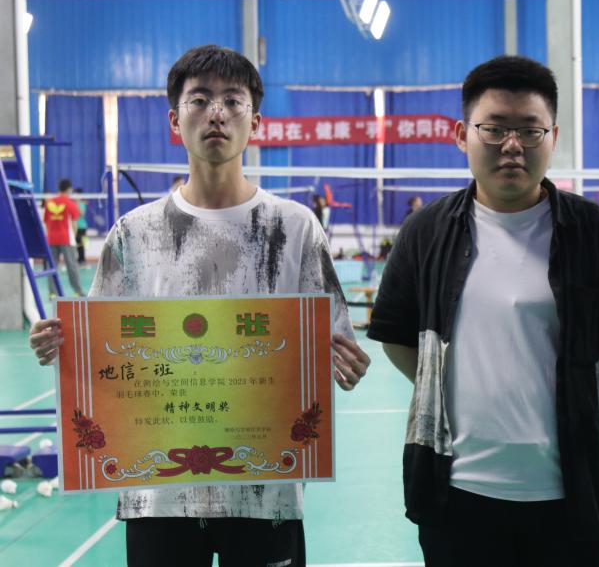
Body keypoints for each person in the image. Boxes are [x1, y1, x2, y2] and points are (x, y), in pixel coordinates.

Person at [28, 45, 370, 567]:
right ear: (175, 119)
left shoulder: (297, 228)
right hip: (157, 492)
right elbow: (102, 351)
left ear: (255, 122)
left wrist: (345, 364)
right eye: (200, 99)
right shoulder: (132, 234)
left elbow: (335, 349)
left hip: (265, 492)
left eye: (232, 100)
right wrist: (61, 346)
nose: (216, 113)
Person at [367, 55, 599, 567]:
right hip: (455, 495)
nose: (513, 145)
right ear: (462, 135)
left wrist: (577, 395)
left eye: (530, 130)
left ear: (553, 137)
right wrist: (447, 388)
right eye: (495, 129)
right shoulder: (425, 233)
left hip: (571, 496)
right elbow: (395, 335)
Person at [43, 178, 85, 297]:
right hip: (66, 239)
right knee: (72, 266)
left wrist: (50, 235)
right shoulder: (70, 203)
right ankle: (78, 292)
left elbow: (46, 222)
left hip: (51, 239)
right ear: (69, 189)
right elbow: (74, 223)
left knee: (52, 267)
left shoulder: (49, 203)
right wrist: (74, 238)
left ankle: (52, 293)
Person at [73, 187, 88, 264]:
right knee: (74, 244)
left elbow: (82, 214)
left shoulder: (82, 204)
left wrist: (78, 203)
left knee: (83, 244)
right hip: (74, 227)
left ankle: (82, 260)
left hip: (82, 227)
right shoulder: (72, 204)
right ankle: (75, 260)